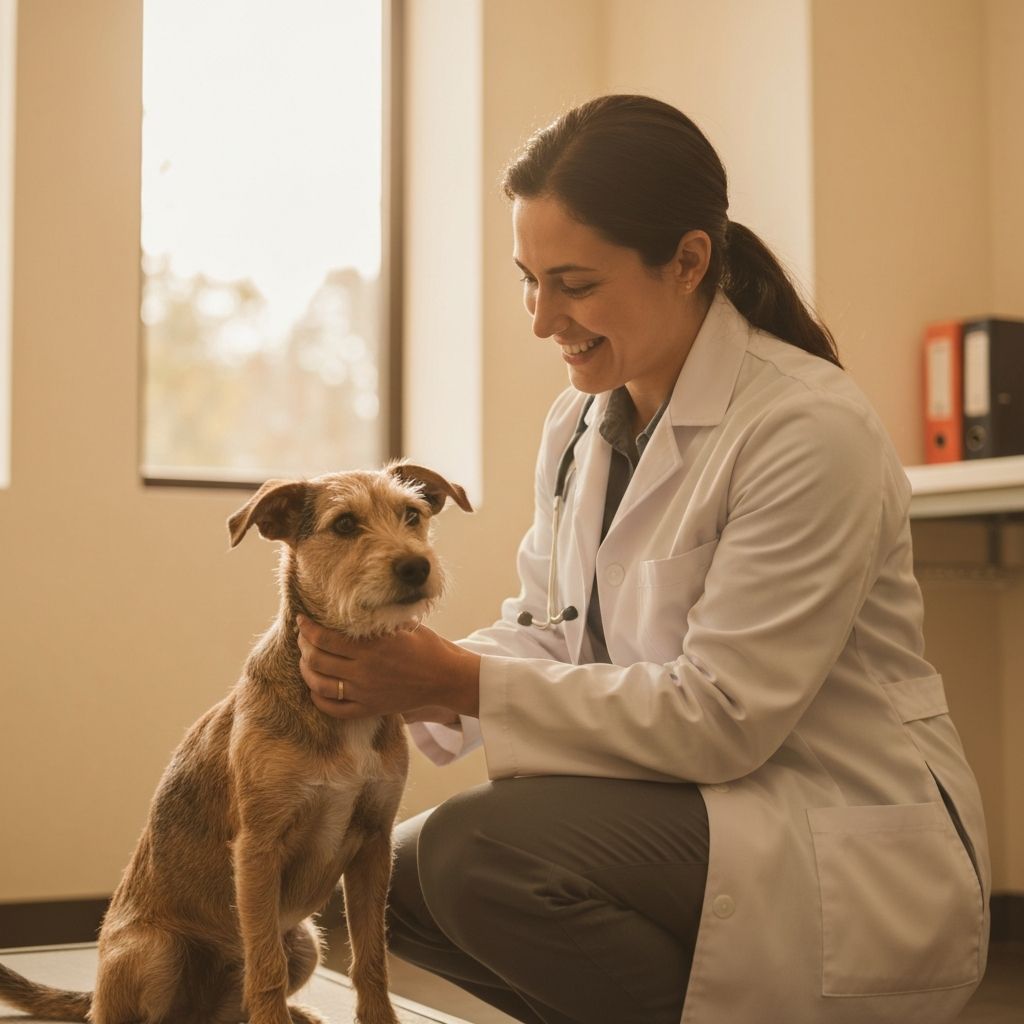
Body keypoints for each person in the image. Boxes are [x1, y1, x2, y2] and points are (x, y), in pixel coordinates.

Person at [295, 95, 991, 1024]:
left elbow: (724, 717)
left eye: (575, 284)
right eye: (528, 280)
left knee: (475, 852)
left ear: (688, 261)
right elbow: (551, 626)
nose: (543, 319)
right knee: (400, 883)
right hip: (692, 805)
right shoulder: (581, 423)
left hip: (829, 821)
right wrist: (404, 680)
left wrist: (456, 680)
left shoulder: (806, 428)